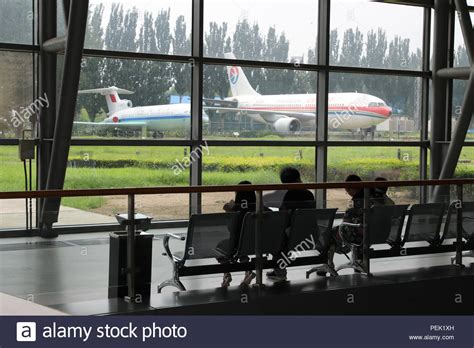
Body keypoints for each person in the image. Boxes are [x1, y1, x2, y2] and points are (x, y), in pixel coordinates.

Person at [266, 167, 316, 282]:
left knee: (275, 235)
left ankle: (280, 271)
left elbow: (283, 218)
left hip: (291, 237)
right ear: (298, 179)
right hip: (310, 235)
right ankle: (279, 270)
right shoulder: (309, 194)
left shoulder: (288, 195)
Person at [216, 181, 257, 287]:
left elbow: (231, 229)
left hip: (237, 244)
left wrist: (228, 211)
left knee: (219, 247)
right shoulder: (259, 209)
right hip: (257, 243)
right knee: (243, 249)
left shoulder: (236, 211)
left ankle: (227, 273)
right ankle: (247, 270)